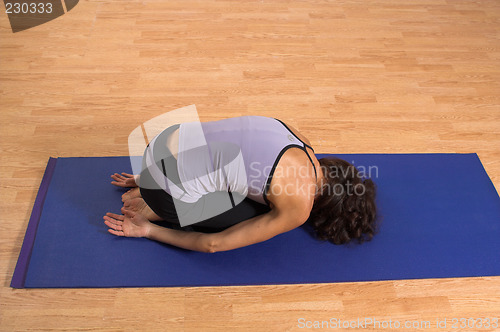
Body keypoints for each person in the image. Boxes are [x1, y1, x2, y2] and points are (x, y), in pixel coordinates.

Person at [103, 116, 377, 253]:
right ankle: (158, 206)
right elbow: (213, 244)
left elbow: (228, 149)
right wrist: (149, 230)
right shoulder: (300, 206)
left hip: (160, 143)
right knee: (264, 211)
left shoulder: (297, 136)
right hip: (162, 186)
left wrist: (145, 174)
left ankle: (152, 187)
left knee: (251, 178)